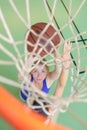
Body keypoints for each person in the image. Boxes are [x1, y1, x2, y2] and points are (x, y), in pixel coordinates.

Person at [18, 41, 72, 117]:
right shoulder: (51, 110)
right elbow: (60, 84)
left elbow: (20, 75)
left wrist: (30, 60)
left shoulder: (46, 80)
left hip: (26, 99)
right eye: (36, 71)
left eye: (43, 71)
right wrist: (60, 61)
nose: (39, 75)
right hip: (25, 98)